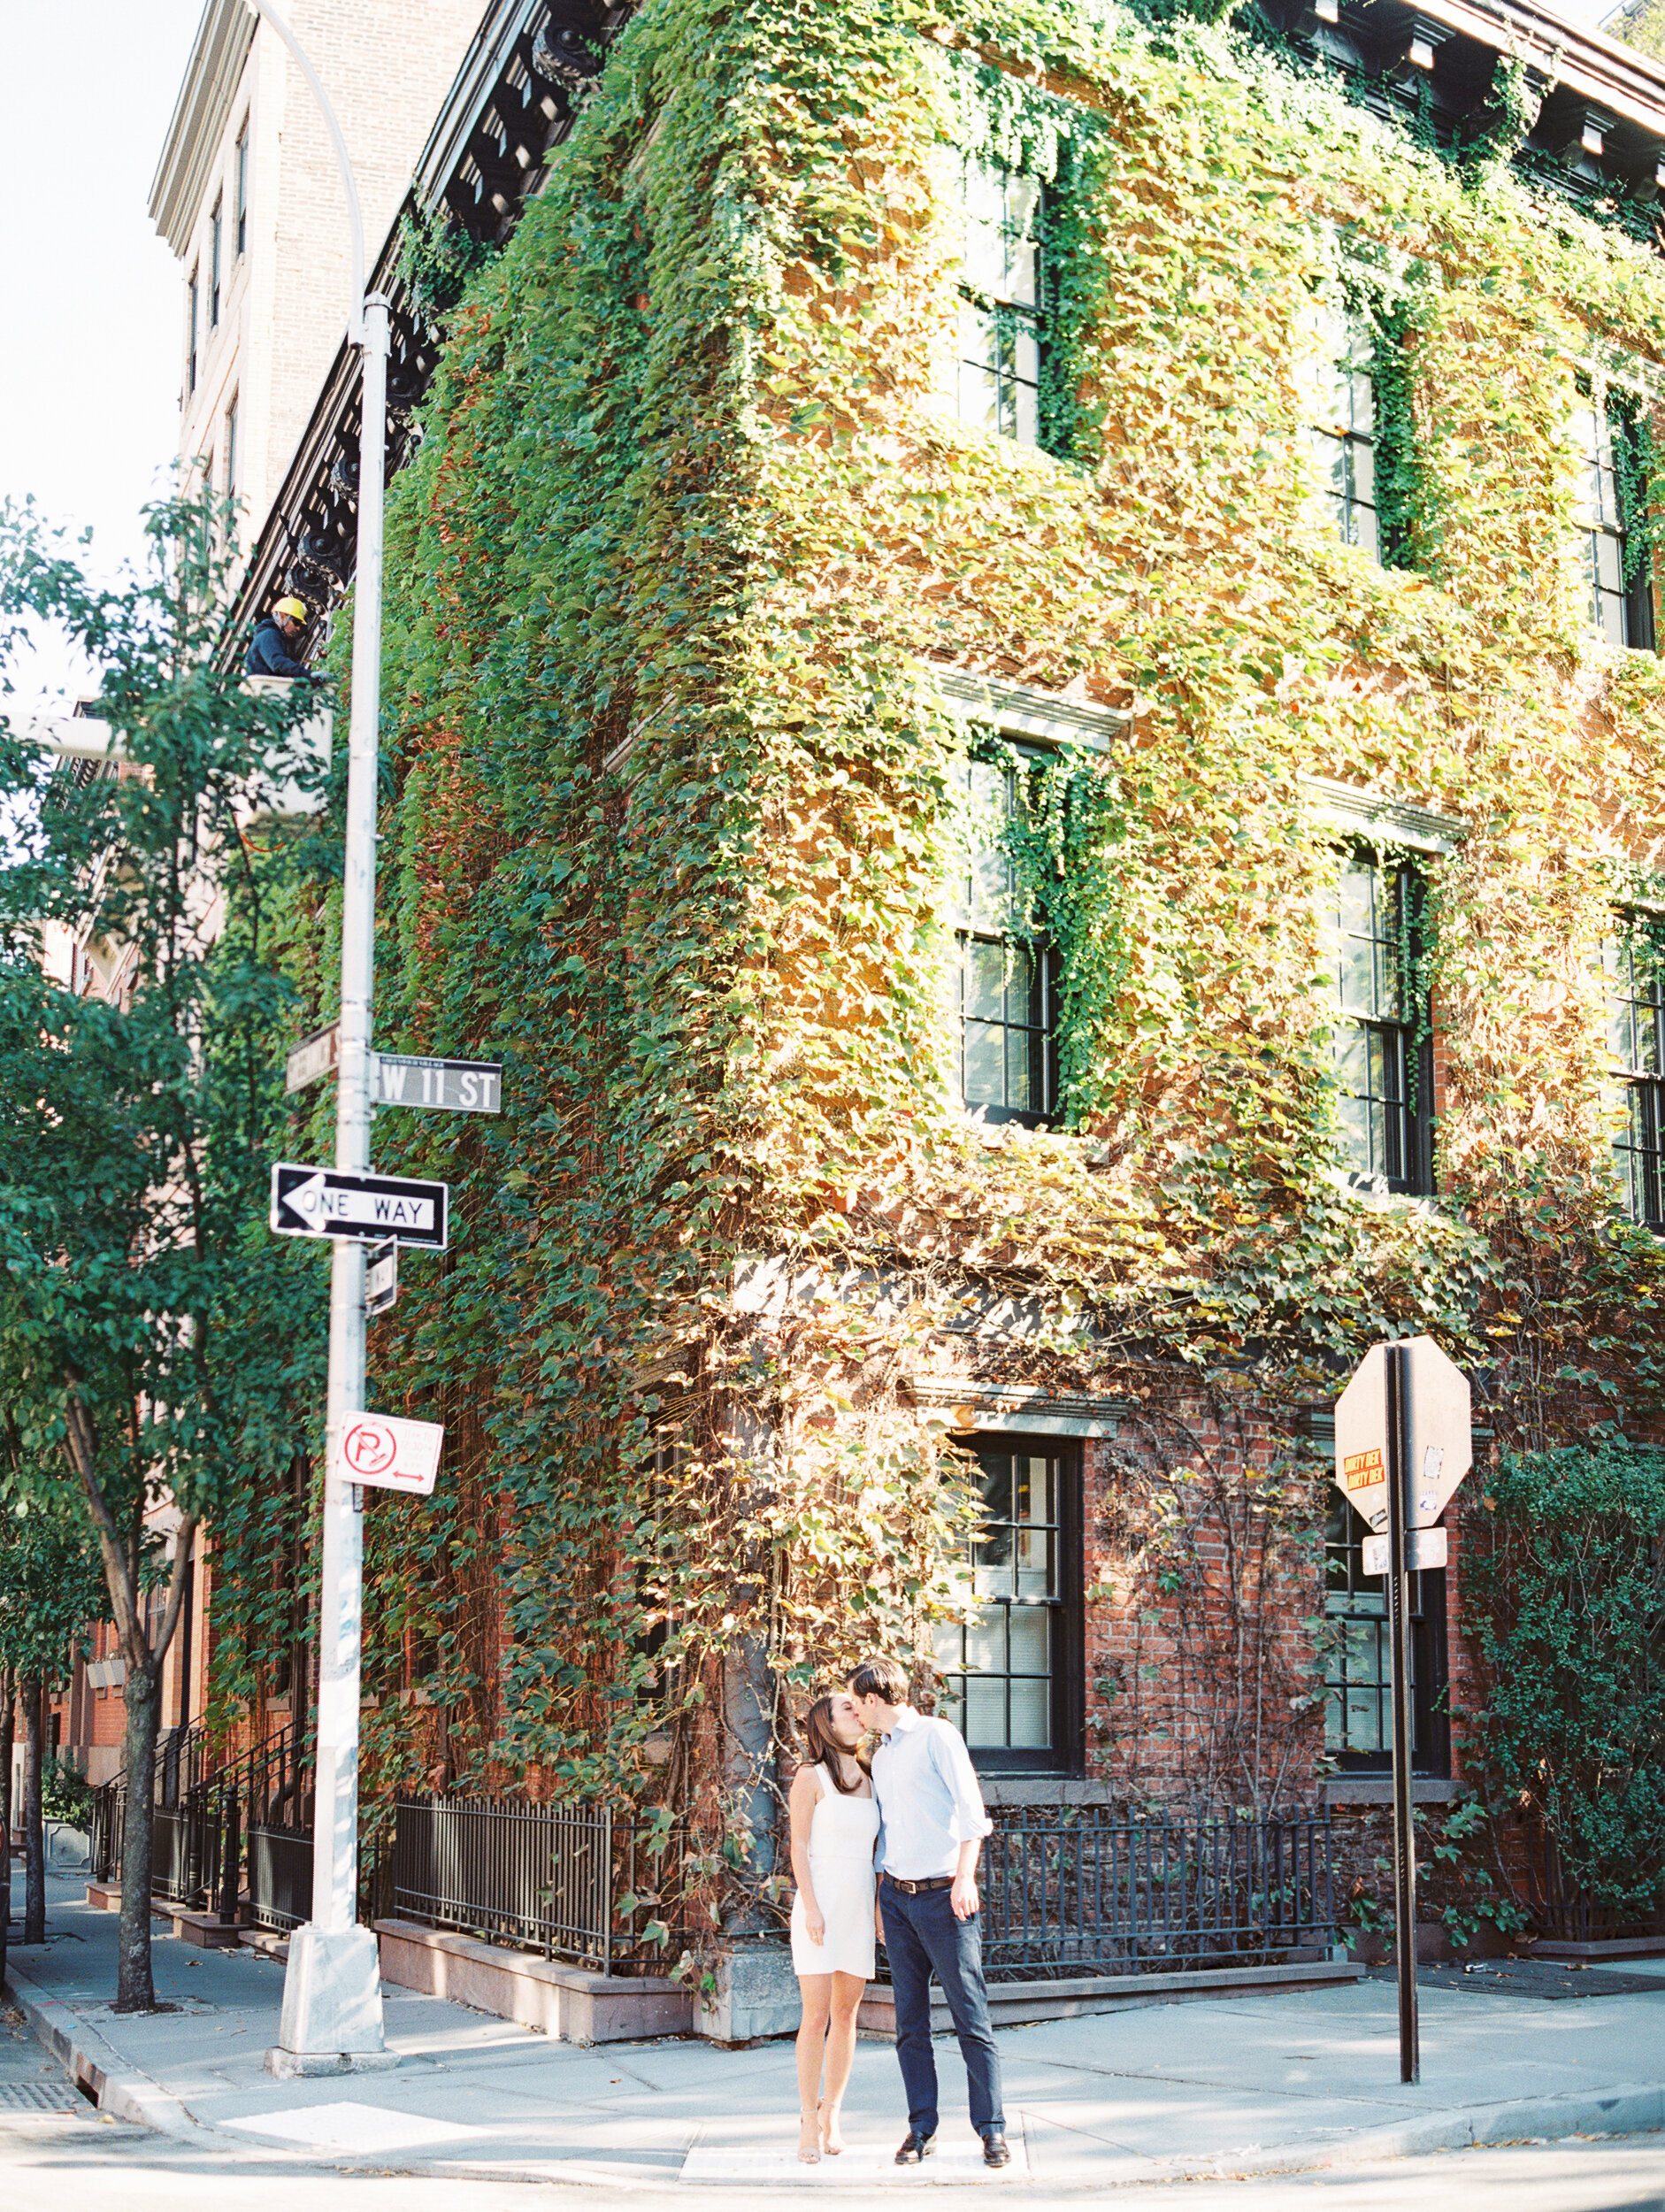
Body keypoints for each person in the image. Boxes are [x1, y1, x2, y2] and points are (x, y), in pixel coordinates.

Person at [850, 1655, 1009, 2170]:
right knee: (910, 2022)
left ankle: (991, 2129)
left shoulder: (938, 1736)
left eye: (857, 1702)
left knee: (970, 2016)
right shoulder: (884, 1755)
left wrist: (966, 1877)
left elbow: (971, 1810)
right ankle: (922, 2126)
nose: (855, 1711)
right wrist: (880, 1897)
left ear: (874, 1700)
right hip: (897, 1899)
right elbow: (887, 1831)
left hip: (945, 1895)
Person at [786, 1691, 879, 2164]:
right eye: (847, 1707)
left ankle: (832, 2114)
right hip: (819, 1904)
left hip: (859, 1906)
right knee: (816, 2016)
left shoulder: (870, 1776)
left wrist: (880, 1909)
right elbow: (799, 1845)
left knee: (847, 2017)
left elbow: (877, 1854)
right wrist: (812, 1909)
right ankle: (806, 2117)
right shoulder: (810, 1775)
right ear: (826, 1723)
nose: (857, 1710)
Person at [246, 595, 311, 678]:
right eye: (296, 622)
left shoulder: (273, 636)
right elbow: (278, 663)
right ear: (282, 616)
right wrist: (308, 674)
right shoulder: (268, 635)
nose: (298, 628)